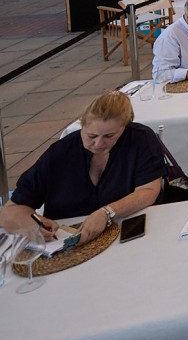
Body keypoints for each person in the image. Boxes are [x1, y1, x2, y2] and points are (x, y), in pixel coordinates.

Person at [0, 92, 163, 244]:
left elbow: (148, 191)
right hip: (66, 246)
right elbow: (9, 212)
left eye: (109, 136)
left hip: (128, 236)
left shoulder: (140, 139)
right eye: (91, 136)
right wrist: (32, 225)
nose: (98, 143)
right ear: (81, 126)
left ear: (124, 128)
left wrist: (107, 212)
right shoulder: (60, 153)